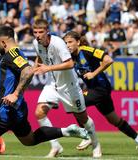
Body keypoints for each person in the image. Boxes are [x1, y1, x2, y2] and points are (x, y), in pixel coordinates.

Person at [0, 26, 89, 160]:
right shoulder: (16, 54)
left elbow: (28, 71)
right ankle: (66, 131)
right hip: (16, 110)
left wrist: (15, 94)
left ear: (3, 42)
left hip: (5, 111)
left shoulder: (12, 55)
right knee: (29, 140)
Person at [63, 31, 138, 156]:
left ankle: (87, 135)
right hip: (96, 90)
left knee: (75, 103)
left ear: (78, 42)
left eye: (70, 42)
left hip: (101, 88)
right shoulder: (71, 58)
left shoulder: (86, 51)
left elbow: (108, 60)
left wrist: (93, 74)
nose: (67, 45)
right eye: (65, 43)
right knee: (114, 120)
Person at [31, 19, 101, 158]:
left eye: (41, 32)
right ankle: (55, 146)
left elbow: (69, 64)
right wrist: (35, 66)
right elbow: (40, 56)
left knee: (83, 118)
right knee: (39, 113)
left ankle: (96, 144)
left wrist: (48, 68)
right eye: (35, 32)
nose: (38, 35)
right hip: (52, 84)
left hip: (69, 86)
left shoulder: (58, 43)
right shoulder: (35, 43)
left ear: (47, 31)